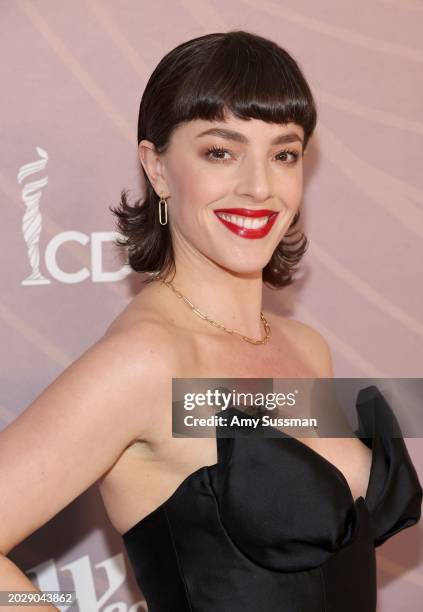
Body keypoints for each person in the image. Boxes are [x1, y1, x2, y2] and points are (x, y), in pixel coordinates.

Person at [0, 30, 421, 612]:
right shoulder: (147, 362)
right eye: (220, 151)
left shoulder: (304, 346)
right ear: (158, 167)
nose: (258, 186)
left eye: (284, 153)